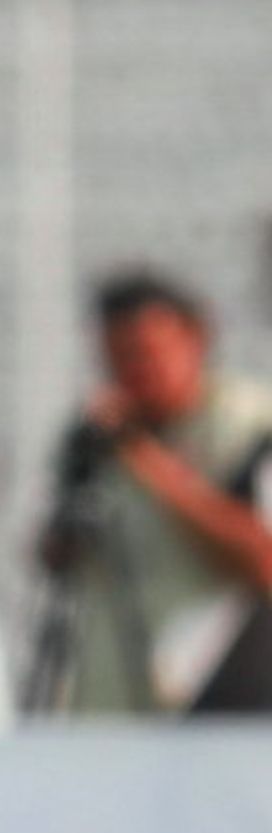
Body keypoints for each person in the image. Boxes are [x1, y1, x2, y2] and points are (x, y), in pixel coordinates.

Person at [34, 270, 272, 713]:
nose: (132, 374)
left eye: (145, 355)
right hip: (118, 705)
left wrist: (148, 462)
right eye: (116, 360)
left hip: (226, 702)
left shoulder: (251, 428)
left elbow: (262, 560)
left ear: (196, 339)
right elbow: (56, 560)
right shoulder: (97, 437)